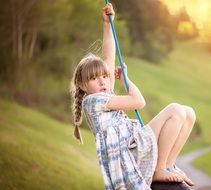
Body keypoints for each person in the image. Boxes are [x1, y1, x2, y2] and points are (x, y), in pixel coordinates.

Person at [70, 3, 196, 190]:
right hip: (131, 152)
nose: (103, 81)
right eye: (95, 79)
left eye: (105, 76)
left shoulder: (103, 92)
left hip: (135, 143)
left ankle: (168, 165)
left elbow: (108, 57)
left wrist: (107, 24)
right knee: (175, 110)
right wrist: (126, 81)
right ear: (82, 85)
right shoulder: (94, 100)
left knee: (189, 113)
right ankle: (159, 169)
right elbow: (139, 102)